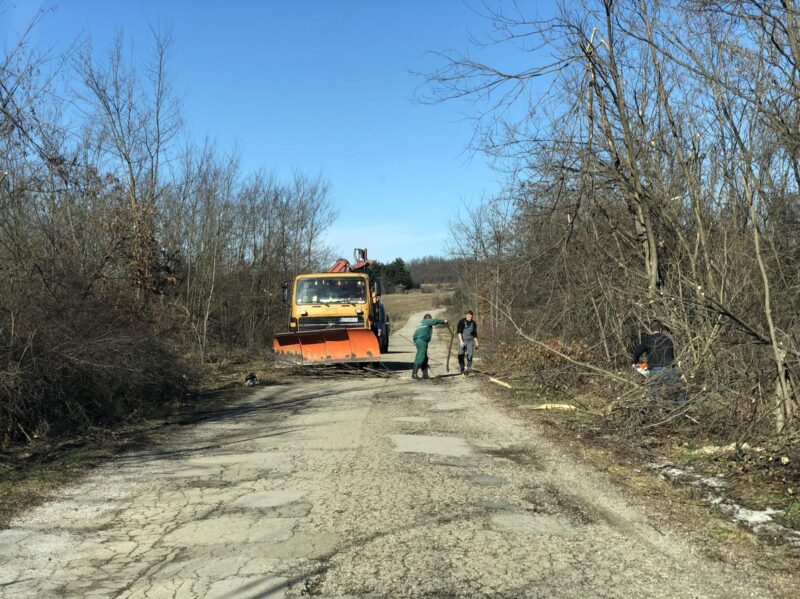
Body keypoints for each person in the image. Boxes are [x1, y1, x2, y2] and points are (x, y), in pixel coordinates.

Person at [632, 320, 686, 404]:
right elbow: (672, 355)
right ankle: (683, 410)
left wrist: (636, 362)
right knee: (678, 392)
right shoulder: (668, 339)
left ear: (650, 330)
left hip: (655, 370)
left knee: (654, 394)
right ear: (660, 330)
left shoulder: (648, 340)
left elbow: (637, 352)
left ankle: (654, 413)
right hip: (669, 368)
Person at [412, 313, 448, 380]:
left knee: (425, 358)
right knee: (421, 355)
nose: (430, 320)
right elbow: (435, 321)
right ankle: (414, 374)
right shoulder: (425, 321)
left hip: (421, 340)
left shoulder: (422, 323)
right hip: (421, 340)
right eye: (430, 319)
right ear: (427, 319)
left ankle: (425, 375)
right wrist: (444, 321)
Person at [456, 310, 479, 374]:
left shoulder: (473, 323)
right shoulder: (461, 322)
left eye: (471, 317)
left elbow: (475, 334)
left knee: (470, 355)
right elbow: (459, 332)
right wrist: (461, 341)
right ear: (466, 315)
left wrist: (476, 343)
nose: (470, 318)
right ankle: (462, 368)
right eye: (469, 317)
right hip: (463, 340)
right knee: (460, 355)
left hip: (470, 341)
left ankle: (469, 368)